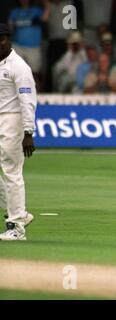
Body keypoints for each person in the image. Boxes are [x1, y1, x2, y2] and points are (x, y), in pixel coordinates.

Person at [0, 24, 36, 241]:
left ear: (9, 40)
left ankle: (17, 227)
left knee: (12, 171)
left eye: (2, 39)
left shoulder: (18, 66)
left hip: (13, 120)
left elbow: (28, 100)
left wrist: (28, 131)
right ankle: (19, 213)